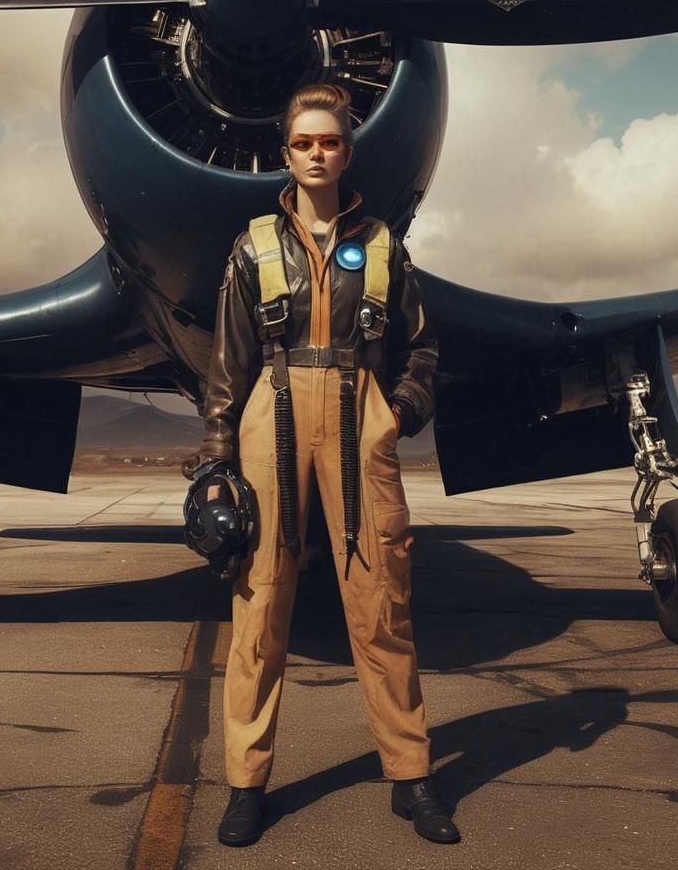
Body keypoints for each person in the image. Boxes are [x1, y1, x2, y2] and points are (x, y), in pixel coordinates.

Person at [183, 83, 458, 847]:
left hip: (355, 414)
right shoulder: (253, 248)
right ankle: (246, 783)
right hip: (269, 413)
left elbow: (422, 348)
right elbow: (226, 365)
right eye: (303, 143)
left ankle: (412, 776)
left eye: (329, 141)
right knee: (260, 607)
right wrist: (215, 462)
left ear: (346, 150)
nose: (316, 153)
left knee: (380, 606)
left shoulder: (381, 246)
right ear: (286, 154)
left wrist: (394, 414)